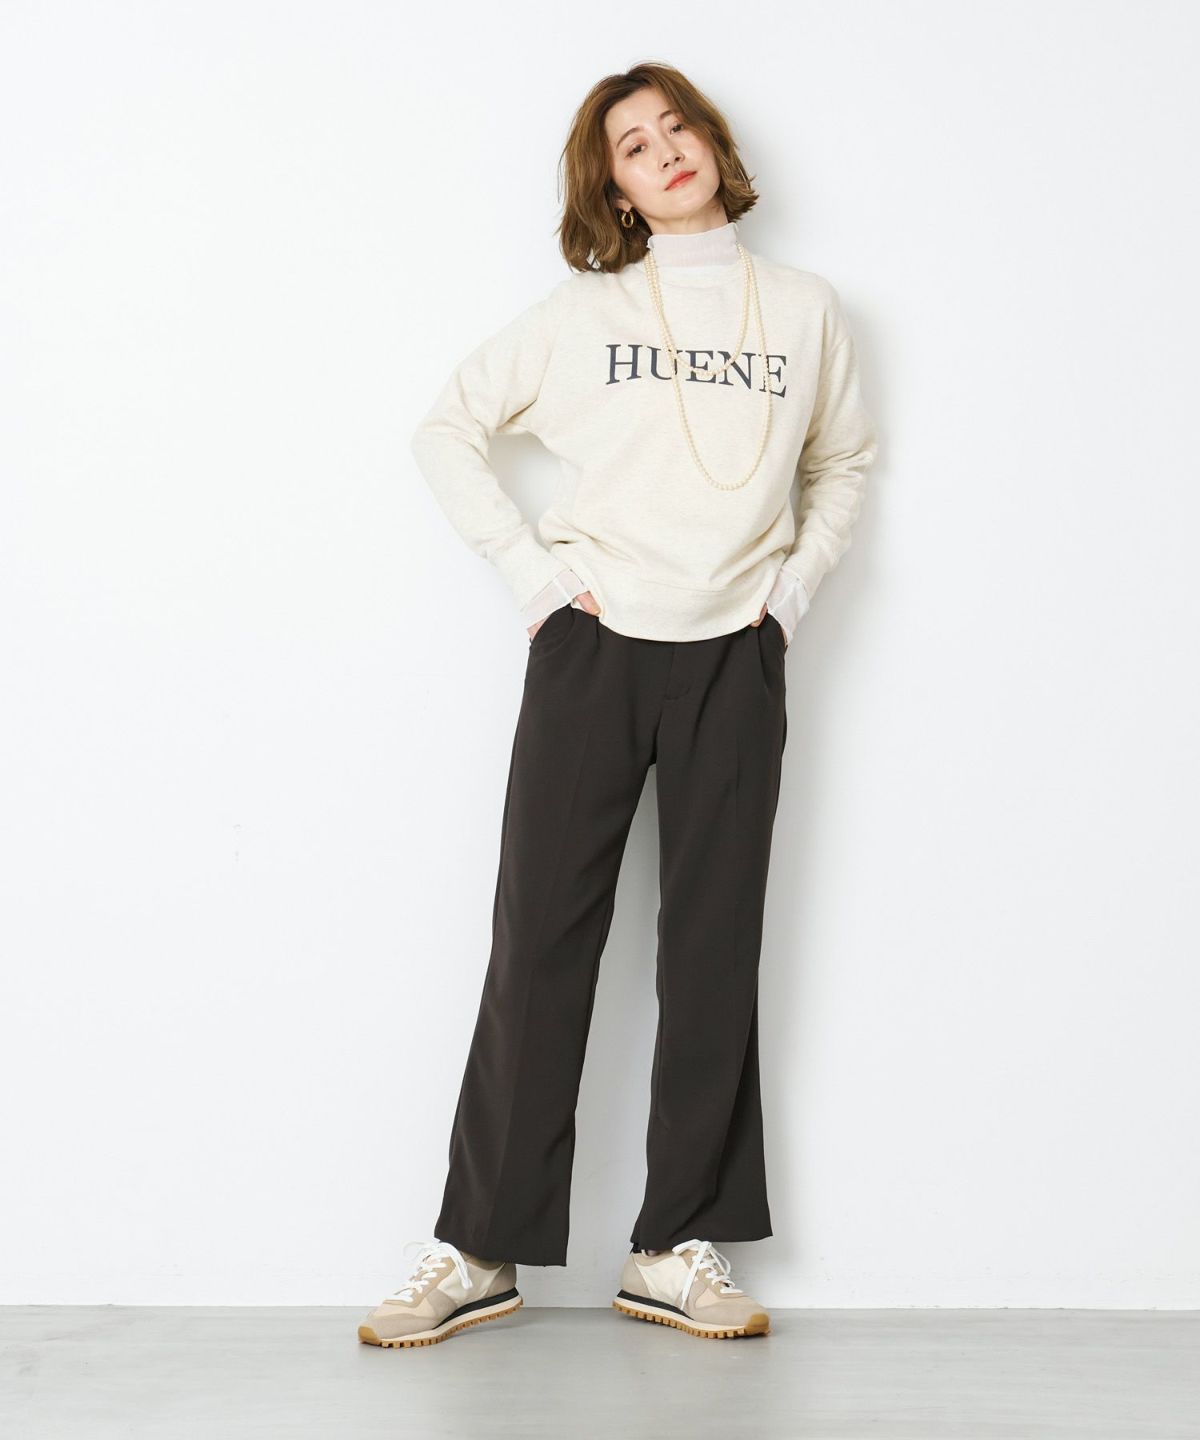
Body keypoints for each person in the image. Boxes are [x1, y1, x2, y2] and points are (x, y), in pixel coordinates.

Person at [358, 61, 877, 1348]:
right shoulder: (581, 313)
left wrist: (788, 598)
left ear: (712, 142)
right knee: (540, 944)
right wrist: (536, 581)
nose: (664, 150)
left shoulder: (806, 310)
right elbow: (445, 429)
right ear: (619, 192)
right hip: (593, 650)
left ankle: (672, 1244)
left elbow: (845, 463)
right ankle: (479, 1245)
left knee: (712, 951)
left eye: (675, 126)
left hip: (735, 655)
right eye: (633, 147)